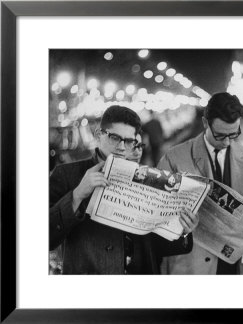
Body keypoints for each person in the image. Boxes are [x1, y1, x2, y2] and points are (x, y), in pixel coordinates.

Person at [49, 105, 198, 274]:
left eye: (128, 141)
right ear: (99, 135)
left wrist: (182, 230)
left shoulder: (147, 178)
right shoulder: (67, 174)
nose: (121, 147)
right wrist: (77, 195)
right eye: (114, 137)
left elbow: (156, 247)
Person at [157, 92, 243, 274]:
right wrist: (181, 227)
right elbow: (155, 215)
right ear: (205, 123)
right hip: (193, 264)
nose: (227, 142)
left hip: (237, 264)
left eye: (233, 134)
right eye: (220, 135)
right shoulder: (174, 159)